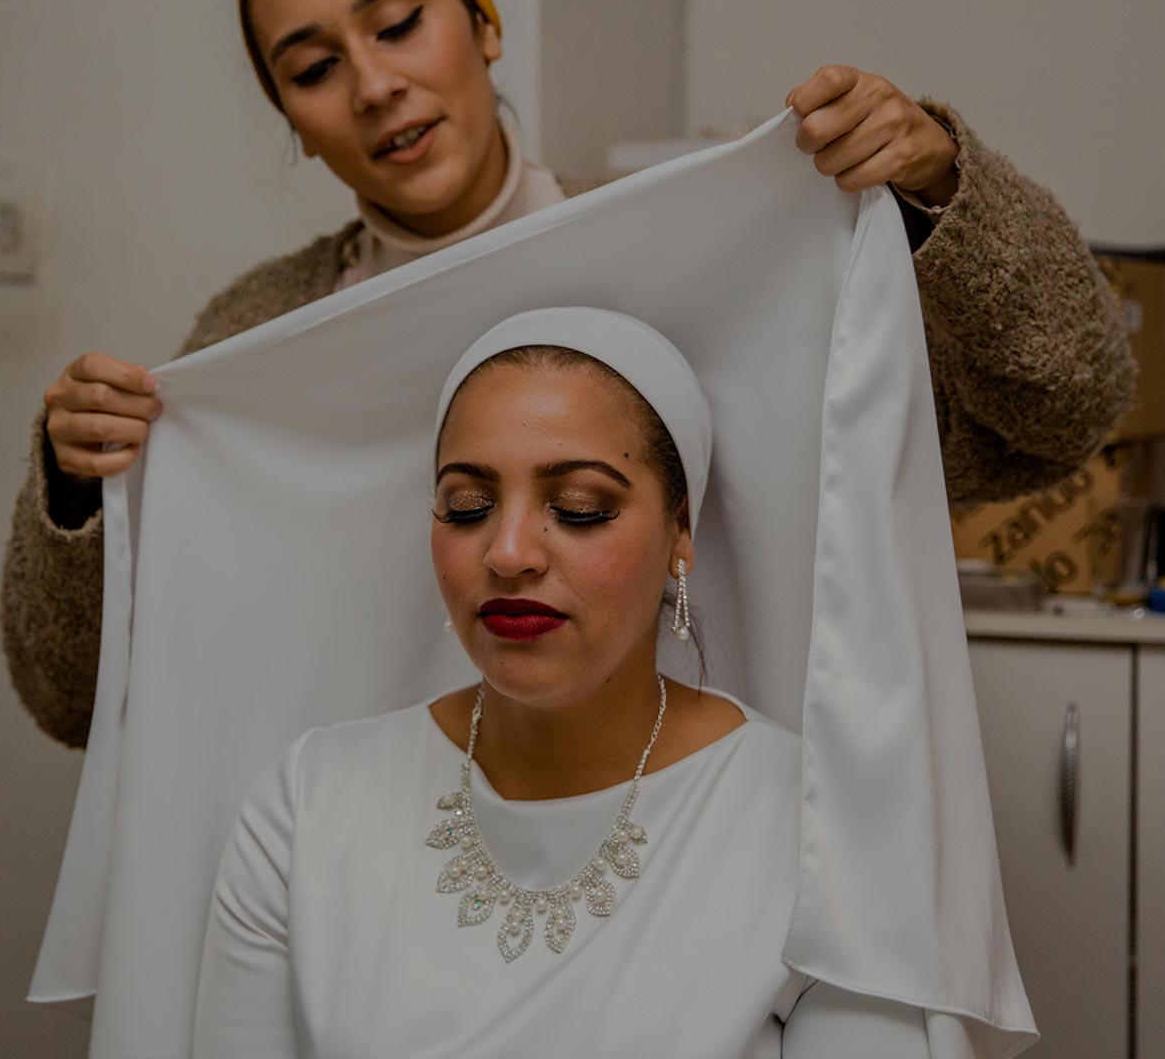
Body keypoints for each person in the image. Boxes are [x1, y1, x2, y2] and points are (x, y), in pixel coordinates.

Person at [1, 0, 1133, 748]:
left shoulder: (693, 270)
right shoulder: (259, 337)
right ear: (293, 122)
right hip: (366, 898)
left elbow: (1061, 412)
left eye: (398, 23)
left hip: (673, 860)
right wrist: (79, 491)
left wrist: (940, 188)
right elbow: (78, 701)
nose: (374, 84)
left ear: (483, 23)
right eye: (312, 68)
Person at [189, 308, 1031, 1057]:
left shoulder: (819, 833)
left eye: (580, 507)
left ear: (680, 532)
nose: (508, 553)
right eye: (468, 505)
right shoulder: (308, 807)